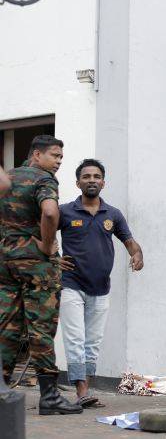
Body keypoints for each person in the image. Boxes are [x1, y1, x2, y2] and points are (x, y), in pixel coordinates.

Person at [0, 135, 82, 415]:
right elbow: (49, 212)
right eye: (54, 156)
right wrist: (47, 245)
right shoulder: (43, 179)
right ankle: (49, 396)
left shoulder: (7, 178)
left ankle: (2, 390)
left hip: (5, 261)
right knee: (41, 327)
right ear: (36, 154)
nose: (59, 162)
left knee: (7, 325)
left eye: (61, 157)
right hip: (36, 264)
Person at [57, 158, 144, 408]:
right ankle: (82, 392)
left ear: (103, 182)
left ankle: (85, 390)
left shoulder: (113, 214)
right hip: (71, 285)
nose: (91, 180)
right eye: (86, 177)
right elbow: (42, 232)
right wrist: (53, 258)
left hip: (101, 288)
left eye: (96, 177)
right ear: (78, 182)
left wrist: (137, 254)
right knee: (75, 339)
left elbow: (129, 241)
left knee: (92, 342)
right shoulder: (65, 211)